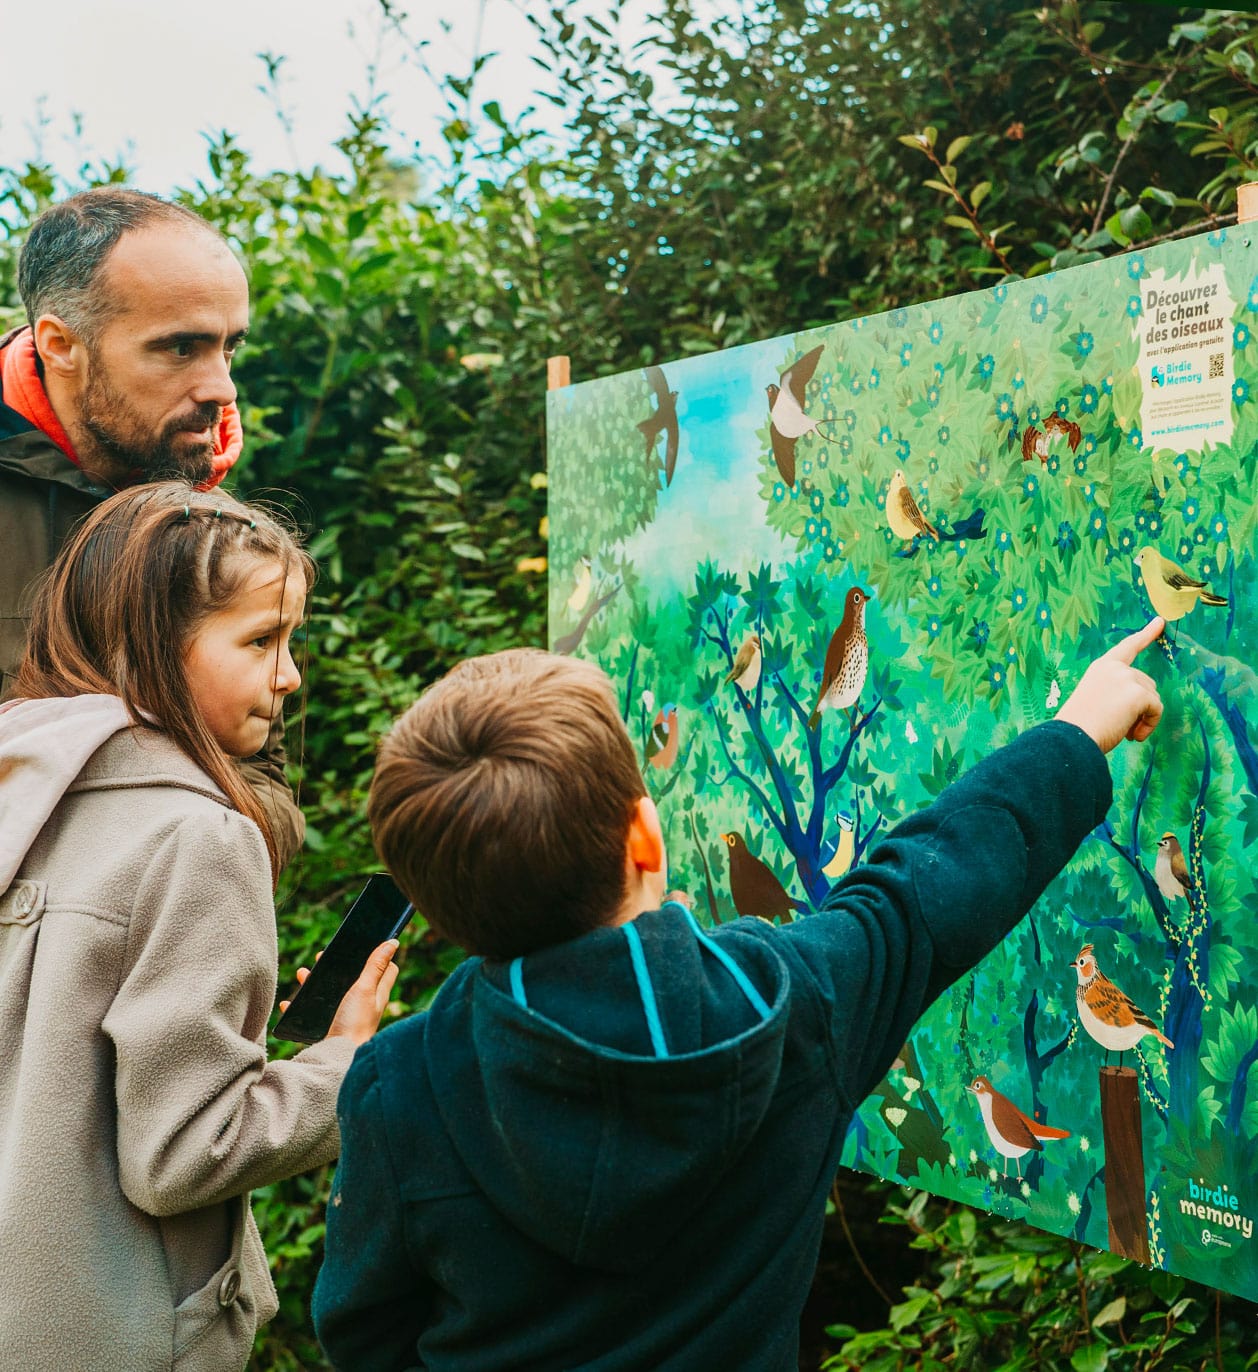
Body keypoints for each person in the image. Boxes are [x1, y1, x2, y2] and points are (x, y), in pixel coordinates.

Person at [311, 621, 1165, 1371]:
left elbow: (364, 1332)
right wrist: (1078, 732)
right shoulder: (787, 1006)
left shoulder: (397, 1087)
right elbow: (923, 896)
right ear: (646, 836)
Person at [0, 482, 399, 1372]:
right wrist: (344, 1063)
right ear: (147, 650)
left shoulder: (22, 784)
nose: (290, 675)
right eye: (262, 640)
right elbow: (184, 1151)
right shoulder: (201, 837)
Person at [0, 185, 305, 867]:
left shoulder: (203, 508)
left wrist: (184, 856)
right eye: (180, 348)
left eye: (229, 347)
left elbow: (265, 777)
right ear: (60, 344)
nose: (222, 387)